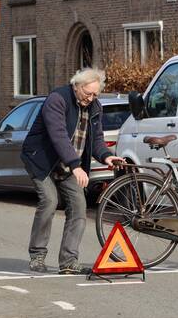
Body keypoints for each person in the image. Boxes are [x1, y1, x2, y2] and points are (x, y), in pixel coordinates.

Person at [21, 68, 125, 274]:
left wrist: (106, 156)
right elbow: (58, 135)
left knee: (79, 207)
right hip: (43, 161)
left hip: (69, 165)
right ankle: (37, 256)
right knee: (49, 201)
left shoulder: (95, 107)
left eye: (95, 94)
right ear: (77, 86)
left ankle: (68, 261)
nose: (91, 98)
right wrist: (76, 166)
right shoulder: (57, 100)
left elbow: (96, 139)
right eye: (88, 93)